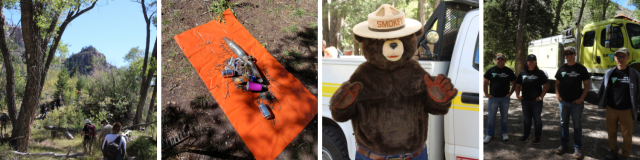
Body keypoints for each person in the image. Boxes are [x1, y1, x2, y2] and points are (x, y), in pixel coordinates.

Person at [597, 48, 640, 160]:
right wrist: (602, 103)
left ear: (628, 57)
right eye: (618, 57)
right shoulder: (609, 73)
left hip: (627, 110)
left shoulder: (634, 74)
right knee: (611, 132)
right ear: (615, 58)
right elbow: (603, 90)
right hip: (611, 109)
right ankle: (613, 151)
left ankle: (625, 154)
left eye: (623, 56)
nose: (621, 59)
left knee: (627, 134)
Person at [554, 47, 589, 158]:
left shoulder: (581, 69)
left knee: (577, 126)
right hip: (563, 102)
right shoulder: (562, 68)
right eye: (566, 54)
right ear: (565, 55)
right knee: (563, 124)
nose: (568, 55)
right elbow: (557, 83)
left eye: (571, 53)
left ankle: (577, 148)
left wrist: (581, 99)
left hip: (576, 103)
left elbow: (587, 86)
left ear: (575, 54)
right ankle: (564, 145)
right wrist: (557, 95)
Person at [515, 54, 548, 145]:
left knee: (537, 119)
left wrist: (540, 97)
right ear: (527, 62)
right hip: (525, 100)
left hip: (536, 101)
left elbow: (546, 86)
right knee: (527, 119)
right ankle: (526, 135)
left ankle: (538, 136)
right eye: (530, 61)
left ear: (535, 62)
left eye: (533, 61)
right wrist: (517, 95)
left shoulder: (540, 73)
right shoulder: (522, 73)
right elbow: (517, 85)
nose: (531, 63)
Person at [483, 53, 516, 143]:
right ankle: (490, 134)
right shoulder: (491, 70)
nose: (500, 61)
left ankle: (504, 133)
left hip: (505, 98)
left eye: (502, 59)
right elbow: (485, 82)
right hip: (493, 98)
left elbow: (515, 83)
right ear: (496, 60)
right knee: (491, 117)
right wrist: (486, 93)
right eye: (498, 59)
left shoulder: (509, 71)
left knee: (504, 116)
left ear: (505, 61)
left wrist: (510, 93)